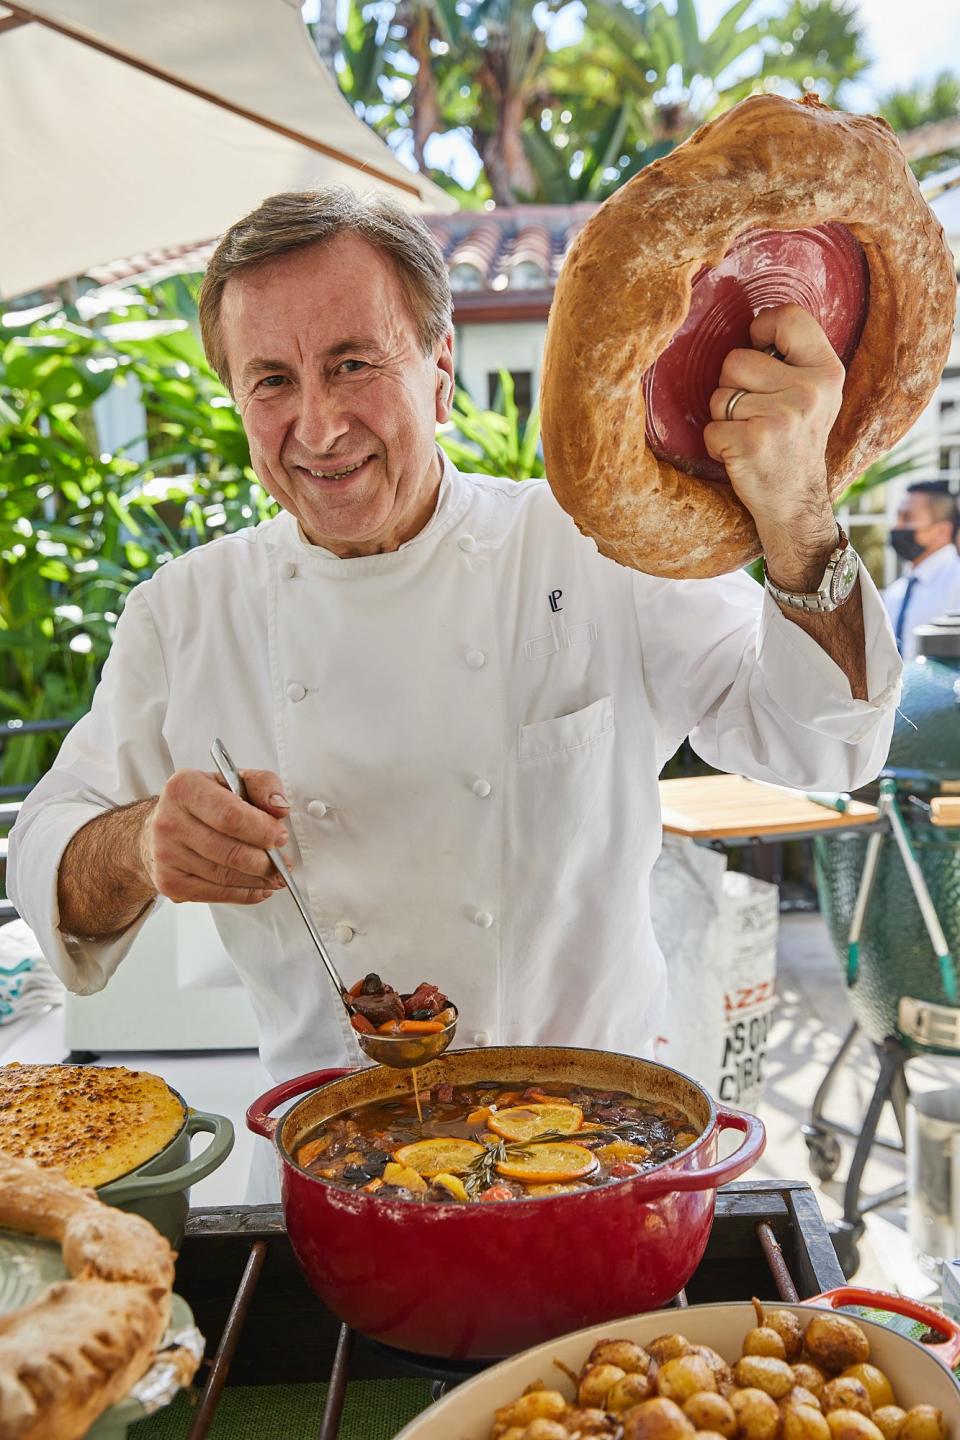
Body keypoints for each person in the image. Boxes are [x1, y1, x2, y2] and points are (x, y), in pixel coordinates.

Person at [9, 187, 900, 1102]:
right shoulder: (186, 612)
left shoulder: (592, 545)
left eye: (353, 363)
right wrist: (140, 847)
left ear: (440, 367)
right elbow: (45, 858)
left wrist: (795, 510)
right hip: (327, 1171)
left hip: (597, 1149)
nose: (316, 427)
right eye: (272, 379)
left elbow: (827, 743)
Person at [882, 480, 960, 660]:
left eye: (907, 518)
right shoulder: (896, 591)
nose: (897, 527)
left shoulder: (957, 582)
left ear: (942, 531)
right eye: (898, 517)